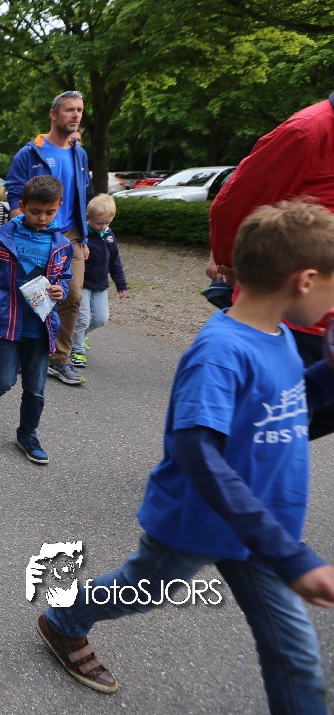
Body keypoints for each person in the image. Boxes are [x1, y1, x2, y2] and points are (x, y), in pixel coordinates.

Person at [36, 202, 334, 712]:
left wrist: (328, 375)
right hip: (201, 521)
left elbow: (284, 405)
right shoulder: (220, 352)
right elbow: (197, 449)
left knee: (295, 656)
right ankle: (64, 620)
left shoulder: (279, 335)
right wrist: (288, 555)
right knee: (142, 589)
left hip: (262, 529)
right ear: (305, 281)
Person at [207, 91, 334, 438]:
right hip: (291, 312)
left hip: (320, 312)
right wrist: (232, 263)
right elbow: (236, 202)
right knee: (270, 420)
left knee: (287, 420)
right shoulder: (307, 132)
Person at [0, 176, 73, 464]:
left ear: (59, 207)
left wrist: (60, 290)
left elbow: (64, 278)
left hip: (41, 326)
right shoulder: (1, 237)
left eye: (49, 212)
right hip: (6, 321)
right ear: (22, 205)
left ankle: (27, 435)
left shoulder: (62, 245)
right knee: (5, 377)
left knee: (35, 387)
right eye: (35, 211)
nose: (42, 218)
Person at [5, 90, 93, 386]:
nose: (76, 114)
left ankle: (60, 358)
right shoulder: (30, 153)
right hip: (35, 233)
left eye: (79, 110)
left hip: (70, 235)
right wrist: (21, 231)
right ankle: (24, 349)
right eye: (70, 109)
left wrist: (85, 237)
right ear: (53, 114)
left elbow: (84, 196)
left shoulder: (80, 154)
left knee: (72, 294)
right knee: (32, 293)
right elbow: (14, 192)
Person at [70, 194, 128, 367]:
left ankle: (73, 338)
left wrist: (121, 283)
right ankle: (77, 350)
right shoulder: (82, 235)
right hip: (83, 283)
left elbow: (115, 260)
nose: (103, 226)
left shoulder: (108, 234)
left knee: (101, 319)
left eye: (107, 223)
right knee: (82, 318)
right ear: (88, 217)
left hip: (100, 285)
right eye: (99, 223)